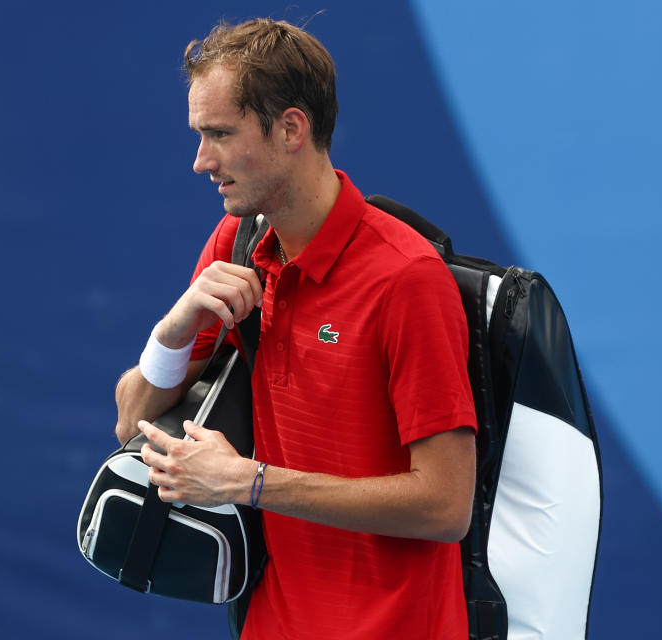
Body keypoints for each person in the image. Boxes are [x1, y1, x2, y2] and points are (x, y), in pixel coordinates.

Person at [114, 18, 478, 640]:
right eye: (200, 135)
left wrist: (249, 482)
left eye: (221, 134)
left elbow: (446, 505)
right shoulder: (238, 241)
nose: (202, 161)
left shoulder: (407, 279)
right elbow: (131, 424)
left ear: (291, 128)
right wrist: (174, 329)